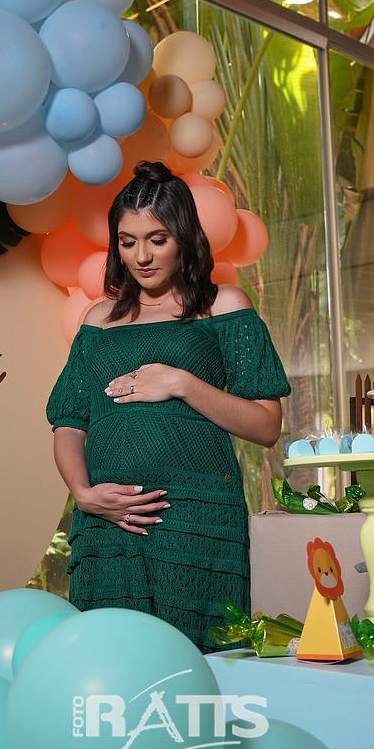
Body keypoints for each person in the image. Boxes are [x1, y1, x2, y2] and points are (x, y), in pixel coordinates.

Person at [45, 161, 290, 652]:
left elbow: (266, 426)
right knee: (111, 661)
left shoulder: (225, 306)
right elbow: (70, 422)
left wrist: (180, 382)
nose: (141, 256)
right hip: (108, 520)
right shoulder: (98, 319)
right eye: (127, 241)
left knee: (201, 662)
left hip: (195, 518)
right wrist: (84, 494)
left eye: (157, 240)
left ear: (184, 237)